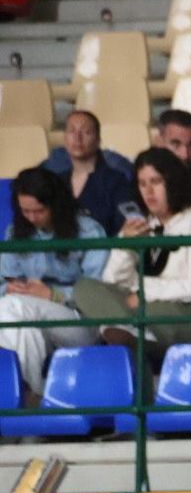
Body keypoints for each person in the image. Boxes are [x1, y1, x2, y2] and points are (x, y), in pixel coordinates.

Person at [73, 147, 191, 356]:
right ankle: (133, 335)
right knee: (85, 288)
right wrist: (125, 246)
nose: (148, 191)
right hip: (148, 310)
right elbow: (112, 281)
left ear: (173, 182)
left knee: (147, 312)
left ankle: (130, 334)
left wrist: (145, 295)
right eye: (142, 184)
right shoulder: (144, 223)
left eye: (155, 182)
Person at [0, 167, 109, 398]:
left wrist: (52, 294)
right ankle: (32, 396)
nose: (31, 218)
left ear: (55, 205)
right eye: (25, 211)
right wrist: (9, 287)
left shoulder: (88, 232)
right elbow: (4, 279)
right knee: (20, 324)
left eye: (38, 211)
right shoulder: (15, 233)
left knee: (11, 307)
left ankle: (20, 397)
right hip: (29, 315)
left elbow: (99, 292)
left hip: (81, 321)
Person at [43, 109, 135, 236]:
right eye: (71, 131)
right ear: (64, 139)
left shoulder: (115, 182)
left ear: (98, 140)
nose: (77, 138)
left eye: (86, 132)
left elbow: (128, 226)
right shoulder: (56, 182)